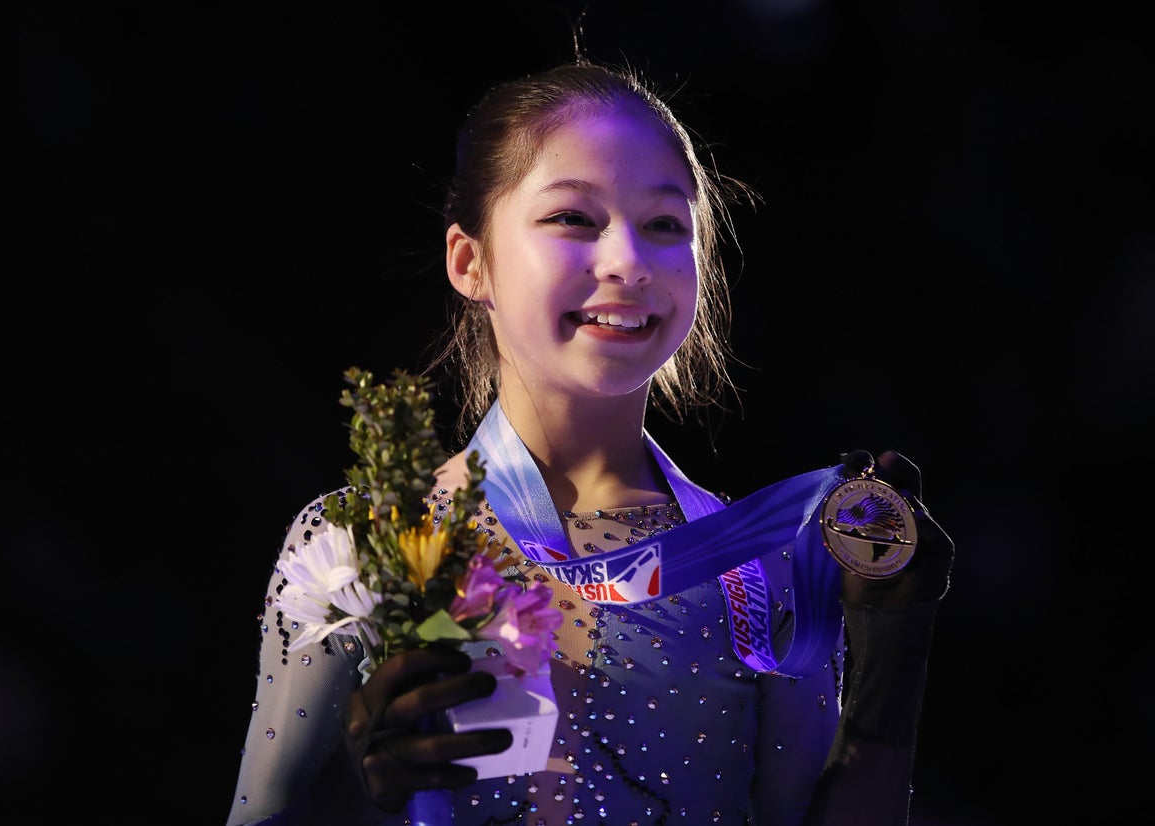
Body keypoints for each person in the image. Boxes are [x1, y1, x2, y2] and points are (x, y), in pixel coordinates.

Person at [224, 58, 954, 826]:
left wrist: (891, 656)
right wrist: (350, 798)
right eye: (573, 218)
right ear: (471, 261)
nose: (629, 262)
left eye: (666, 225)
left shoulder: (760, 565)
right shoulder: (357, 543)